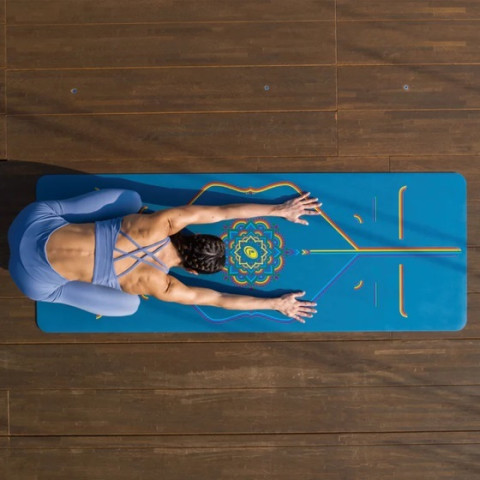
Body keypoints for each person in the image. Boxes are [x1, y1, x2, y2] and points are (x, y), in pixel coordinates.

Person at [8, 188, 321, 323]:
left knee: (131, 201)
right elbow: (218, 299)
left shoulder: (165, 222)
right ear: (193, 272)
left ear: (194, 236)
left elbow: (225, 212)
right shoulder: (162, 286)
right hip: (31, 280)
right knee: (129, 305)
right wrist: (275, 304)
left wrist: (279, 210)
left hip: (31, 220)